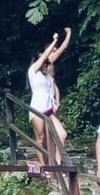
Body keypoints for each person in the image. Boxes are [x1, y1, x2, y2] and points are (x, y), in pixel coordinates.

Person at [28, 27, 72, 166]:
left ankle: (58, 164)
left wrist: (68, 34)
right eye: (45, 63)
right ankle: (44, 167)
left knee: (62, 135)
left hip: (49, 110)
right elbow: (46, 55)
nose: (47, 65)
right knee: (40, 139)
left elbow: (55, 88)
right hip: (37, 109)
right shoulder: (33, 72)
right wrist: (54, 41)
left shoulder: (48, 76)